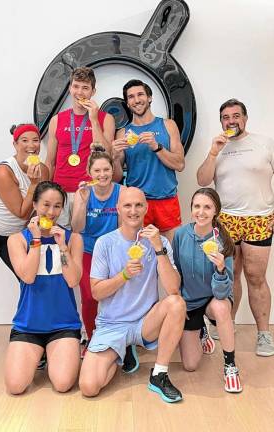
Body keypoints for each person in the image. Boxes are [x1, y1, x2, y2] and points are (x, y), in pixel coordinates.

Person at [79, 187, 186, 403]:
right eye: (127, 205)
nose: (133, 210)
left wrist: (158, 249)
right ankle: (122, 351)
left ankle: (159, 374)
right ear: (118, 208)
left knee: (176, 303)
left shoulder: (160, 242)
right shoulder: (105, 243)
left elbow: (173, 288)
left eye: (139, 205)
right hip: (111, 324)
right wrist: (124, 275)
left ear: (146, 208)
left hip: (145, 323)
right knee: (89, 387)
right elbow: (96, 292)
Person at [197, 99, 274, 356]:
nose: (231, 121)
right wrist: (212, 152)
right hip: (227, 219)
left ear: (245, 118)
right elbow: (202, 180)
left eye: (236, 116)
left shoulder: (264, 143)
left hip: (259, 218)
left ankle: (264, 333)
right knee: (230, 274)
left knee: (255, 276)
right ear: (222, 122)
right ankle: (225, 322)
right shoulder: (219, 148)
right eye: (226, 117)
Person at [5, 181, 83, 395]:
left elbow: (73, 280)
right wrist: (37, 240)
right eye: (46, 205)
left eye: (57, 206)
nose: (51, 211)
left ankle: (51, 352)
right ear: (35, 205)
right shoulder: (16, 240)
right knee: (15, 386)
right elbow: (28, 277)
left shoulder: (73, 239)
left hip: (63, 324)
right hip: (28, 325)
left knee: (63, 384)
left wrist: (63, 247)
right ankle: (40, 353)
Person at [173, 188, 242, 393]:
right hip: (191, 301)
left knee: (221, 308)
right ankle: (202, 331)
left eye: (207, 207)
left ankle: (230, 366)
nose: (201, 212)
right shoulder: (180, 235)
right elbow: (176, 273)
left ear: (215, 212)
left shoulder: (222, 240)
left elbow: (222, 292)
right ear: (191, 208)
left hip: (215, 297)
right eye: (197, 206)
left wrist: (220, 269)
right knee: (190, 365)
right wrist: (179, 303)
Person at [112, 79, 185, 242]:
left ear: (150, 98)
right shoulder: (123, 132)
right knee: (139, 256)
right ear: (127, 103)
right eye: (131, 97)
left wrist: (156, 146)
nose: (136, 100)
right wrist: (115, 158)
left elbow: (180, 164)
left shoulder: (168, 125)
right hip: (136, 204)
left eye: (140, 94)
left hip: (167, 201)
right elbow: (116, 178)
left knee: (171, 255)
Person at [71, 145, 126, 355]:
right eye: (97, 170)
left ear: (112, 170)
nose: (102, 175)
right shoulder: (83, 192)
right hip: (87, 250)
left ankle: (119, 338)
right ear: (89, 172)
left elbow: (123, 229)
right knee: (89, 296)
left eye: (106, 170)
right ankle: (92, 338)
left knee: (116, 294)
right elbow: (77, 228)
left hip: (112, 250)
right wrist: (82, 204)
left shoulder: (122, 192)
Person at [45, 66, 115, 228]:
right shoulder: (57, 120)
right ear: (70, 88)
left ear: (93, 91)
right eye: (76, 86)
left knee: (85, 240)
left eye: (85, 88)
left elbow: (107, 154)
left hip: (90, 191)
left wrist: (94, 119)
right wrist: (45, 194)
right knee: (60, 240)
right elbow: (50, 162)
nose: (80, 92)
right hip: (60, 193)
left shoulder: (105, 119)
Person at [0, 123, 48, 276]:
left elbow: (39, 207)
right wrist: (33, 183)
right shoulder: (3, 172)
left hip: (16, 235)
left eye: (35, 140)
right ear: (15, 144)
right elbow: (22, 213)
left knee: (28, 278)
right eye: (24, 140)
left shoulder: (43, 170)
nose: (31, 145)